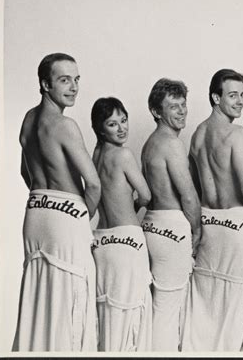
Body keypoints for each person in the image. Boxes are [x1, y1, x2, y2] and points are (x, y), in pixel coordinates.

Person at [13, 53, 101, 351]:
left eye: (76, 79)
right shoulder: (65, 126)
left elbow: (24, 171)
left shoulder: (28, 119)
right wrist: (80, 217)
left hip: (36, 211)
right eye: (64, 80)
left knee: (40, 296)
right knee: (72, 299)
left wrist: (46, 201)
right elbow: (94, 183)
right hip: (65, 215)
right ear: (45, 83)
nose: (74, 87)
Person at [181, 69, 243, 351]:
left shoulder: (198, 134)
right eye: (233, 95)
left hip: (209, 222)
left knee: (208, 301)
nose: (241, 101)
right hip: (237, 222)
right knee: (240, 302)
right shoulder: (238, 134)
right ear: (216, 97)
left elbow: (193, 186)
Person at [141, 78, 201, 351]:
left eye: (183, 104)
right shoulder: (172, 144)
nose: (181, 111)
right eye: (173, 106)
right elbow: (187, 194)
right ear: (156, 112)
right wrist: (197, 230)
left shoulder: (150, 143)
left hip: (152, 224)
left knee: (159, 306)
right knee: (168, 310)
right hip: (171, 226)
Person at [90, 97, 153, 351]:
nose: (122, 128)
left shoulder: (95, 155)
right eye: (112, 124)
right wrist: (132, 208)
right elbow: (146, 195)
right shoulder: (123, 155)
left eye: (123, 120)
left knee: (107, 314)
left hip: (101, 241)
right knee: (132, 315)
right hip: (127, 241)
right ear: (100, 128)